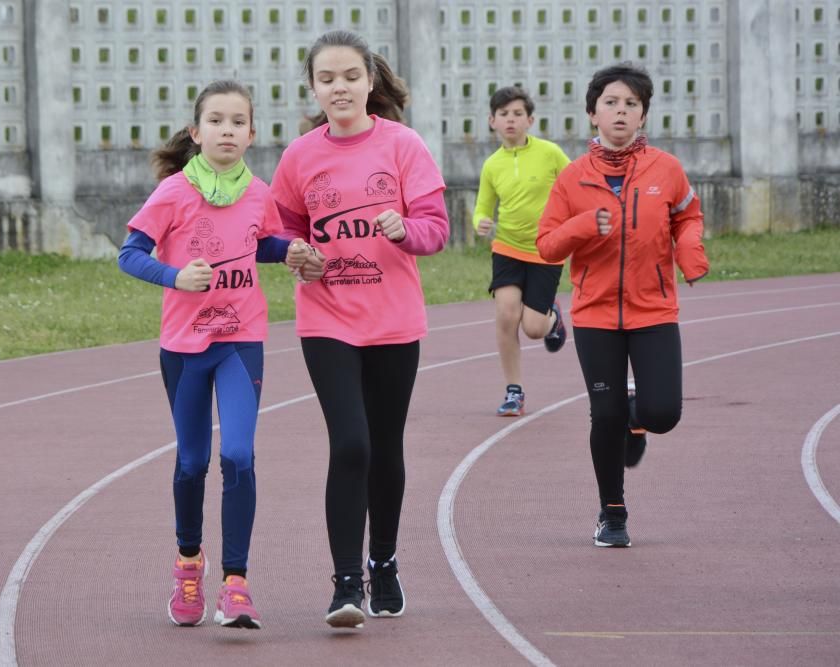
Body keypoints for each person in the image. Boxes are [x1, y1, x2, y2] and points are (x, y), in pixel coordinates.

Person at [117, 80, 313, 628]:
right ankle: (187, 562)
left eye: (238, 122)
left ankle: (235, 582)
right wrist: (176, 276)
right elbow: (129, 255)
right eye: (217, 120)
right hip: (183, 349)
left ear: (252, 133)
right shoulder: (175, 192)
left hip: (241, 341)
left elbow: (265, 243)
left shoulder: (258, 192)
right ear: (195, 130)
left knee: (240, 456)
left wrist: (291, 249)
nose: (227, 130)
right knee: (193, 461)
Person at [271, 30, 449, 628]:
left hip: (395, 321)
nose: (340, 87)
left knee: (385, 449)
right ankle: (347, 584)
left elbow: (436, 228)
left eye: (350, 76)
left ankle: (386, 561)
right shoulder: (300, 156)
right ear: (313, 88)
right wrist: (296, 253)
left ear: (370, 81)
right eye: (327, 79)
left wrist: (405, 231)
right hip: (327, 319)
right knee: (350, 443)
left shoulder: (403, 145)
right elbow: (279, 233)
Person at [536, 63, 709, 548]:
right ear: (592, 113)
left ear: (643, 116)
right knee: (603, 415)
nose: (620, 111)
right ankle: (612, 511)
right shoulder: (572, 179)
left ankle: (639, 416)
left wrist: (690, 247)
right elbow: (547, 245)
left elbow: (687, 215)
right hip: (594, 315)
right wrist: (584, 225)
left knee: (664, 412)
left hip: (653, 309)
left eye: (631, 104)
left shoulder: (666, 169)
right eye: (611, 103)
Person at [473, 86, 571, 417]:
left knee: (532, 328)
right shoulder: (492, 165)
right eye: (503, 114)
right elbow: (483, 207)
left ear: (530, 120)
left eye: (517, 114)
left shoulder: (550, 153)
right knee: (505, 315)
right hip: (508, 247)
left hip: (546, 249)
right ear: (492, 121)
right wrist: (481, 222)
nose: (510, 120)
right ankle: (514, 390)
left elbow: (574, 184)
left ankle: (553, 318)